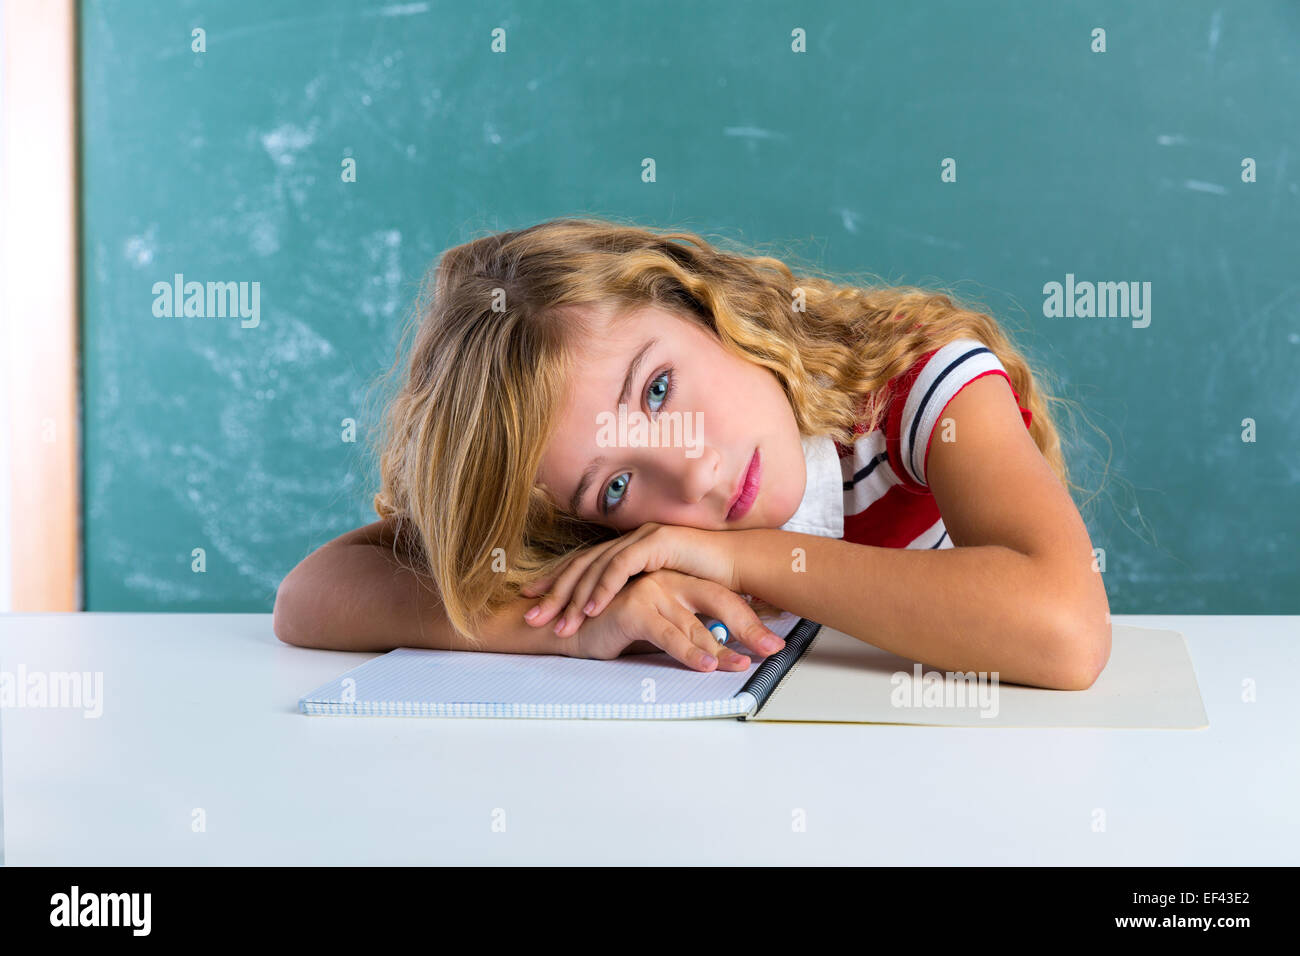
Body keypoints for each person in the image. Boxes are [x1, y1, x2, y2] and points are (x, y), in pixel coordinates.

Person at [274, 217, 1110, 689]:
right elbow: (311, 597)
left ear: (702, 303)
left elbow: (1066, 631)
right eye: (615, 484)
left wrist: (741, 558)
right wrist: (578, 630)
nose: (693, 469)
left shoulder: (918, 379)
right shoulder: (617, 548)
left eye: (659, 390)